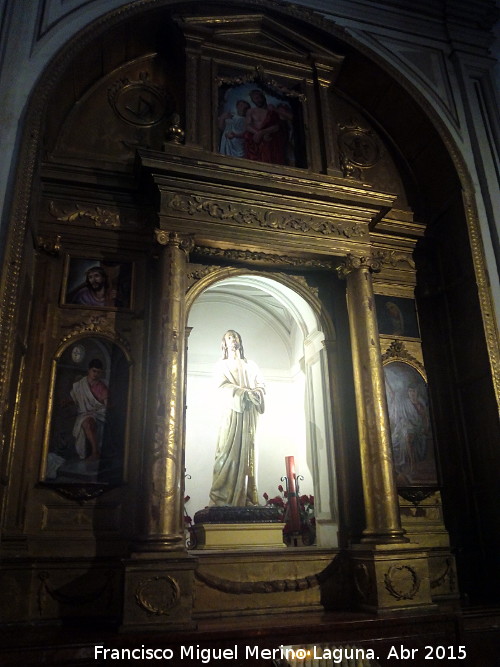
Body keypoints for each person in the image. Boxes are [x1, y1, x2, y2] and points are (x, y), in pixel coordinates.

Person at [209, 330, 265, 506]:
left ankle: (246, 496)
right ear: (224, 344)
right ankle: (223, 498)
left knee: (248, 454)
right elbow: (221, 387)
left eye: (236, 336)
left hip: (249, 416)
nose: (233, 339)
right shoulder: (221, 366)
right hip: (231, 414)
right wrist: (244, 394)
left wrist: (257, 393)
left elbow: (261, 385)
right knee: (227, 453)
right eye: (229, 337)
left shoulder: (251, 365)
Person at [70, 359, 109, 460]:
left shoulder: (102, 387)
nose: (96, 374)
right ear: (89, 370)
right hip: (84, 413)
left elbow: (106, 406)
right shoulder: (79, 385)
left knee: (87, 423)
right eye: (94, 371)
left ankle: (95, 452)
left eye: (98, 372)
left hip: (99, 414)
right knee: (86, 421)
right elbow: (75, 400)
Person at [244, 89, 291, 165]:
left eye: (258, 97)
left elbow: (278, 126)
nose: (257, 100)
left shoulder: (272, 110)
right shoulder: (251, 111)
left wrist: (263, 132)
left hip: (271, 142)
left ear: (263, 97)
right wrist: (258, 133)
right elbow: (247, 126)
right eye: (254, 99)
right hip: (256, 143)